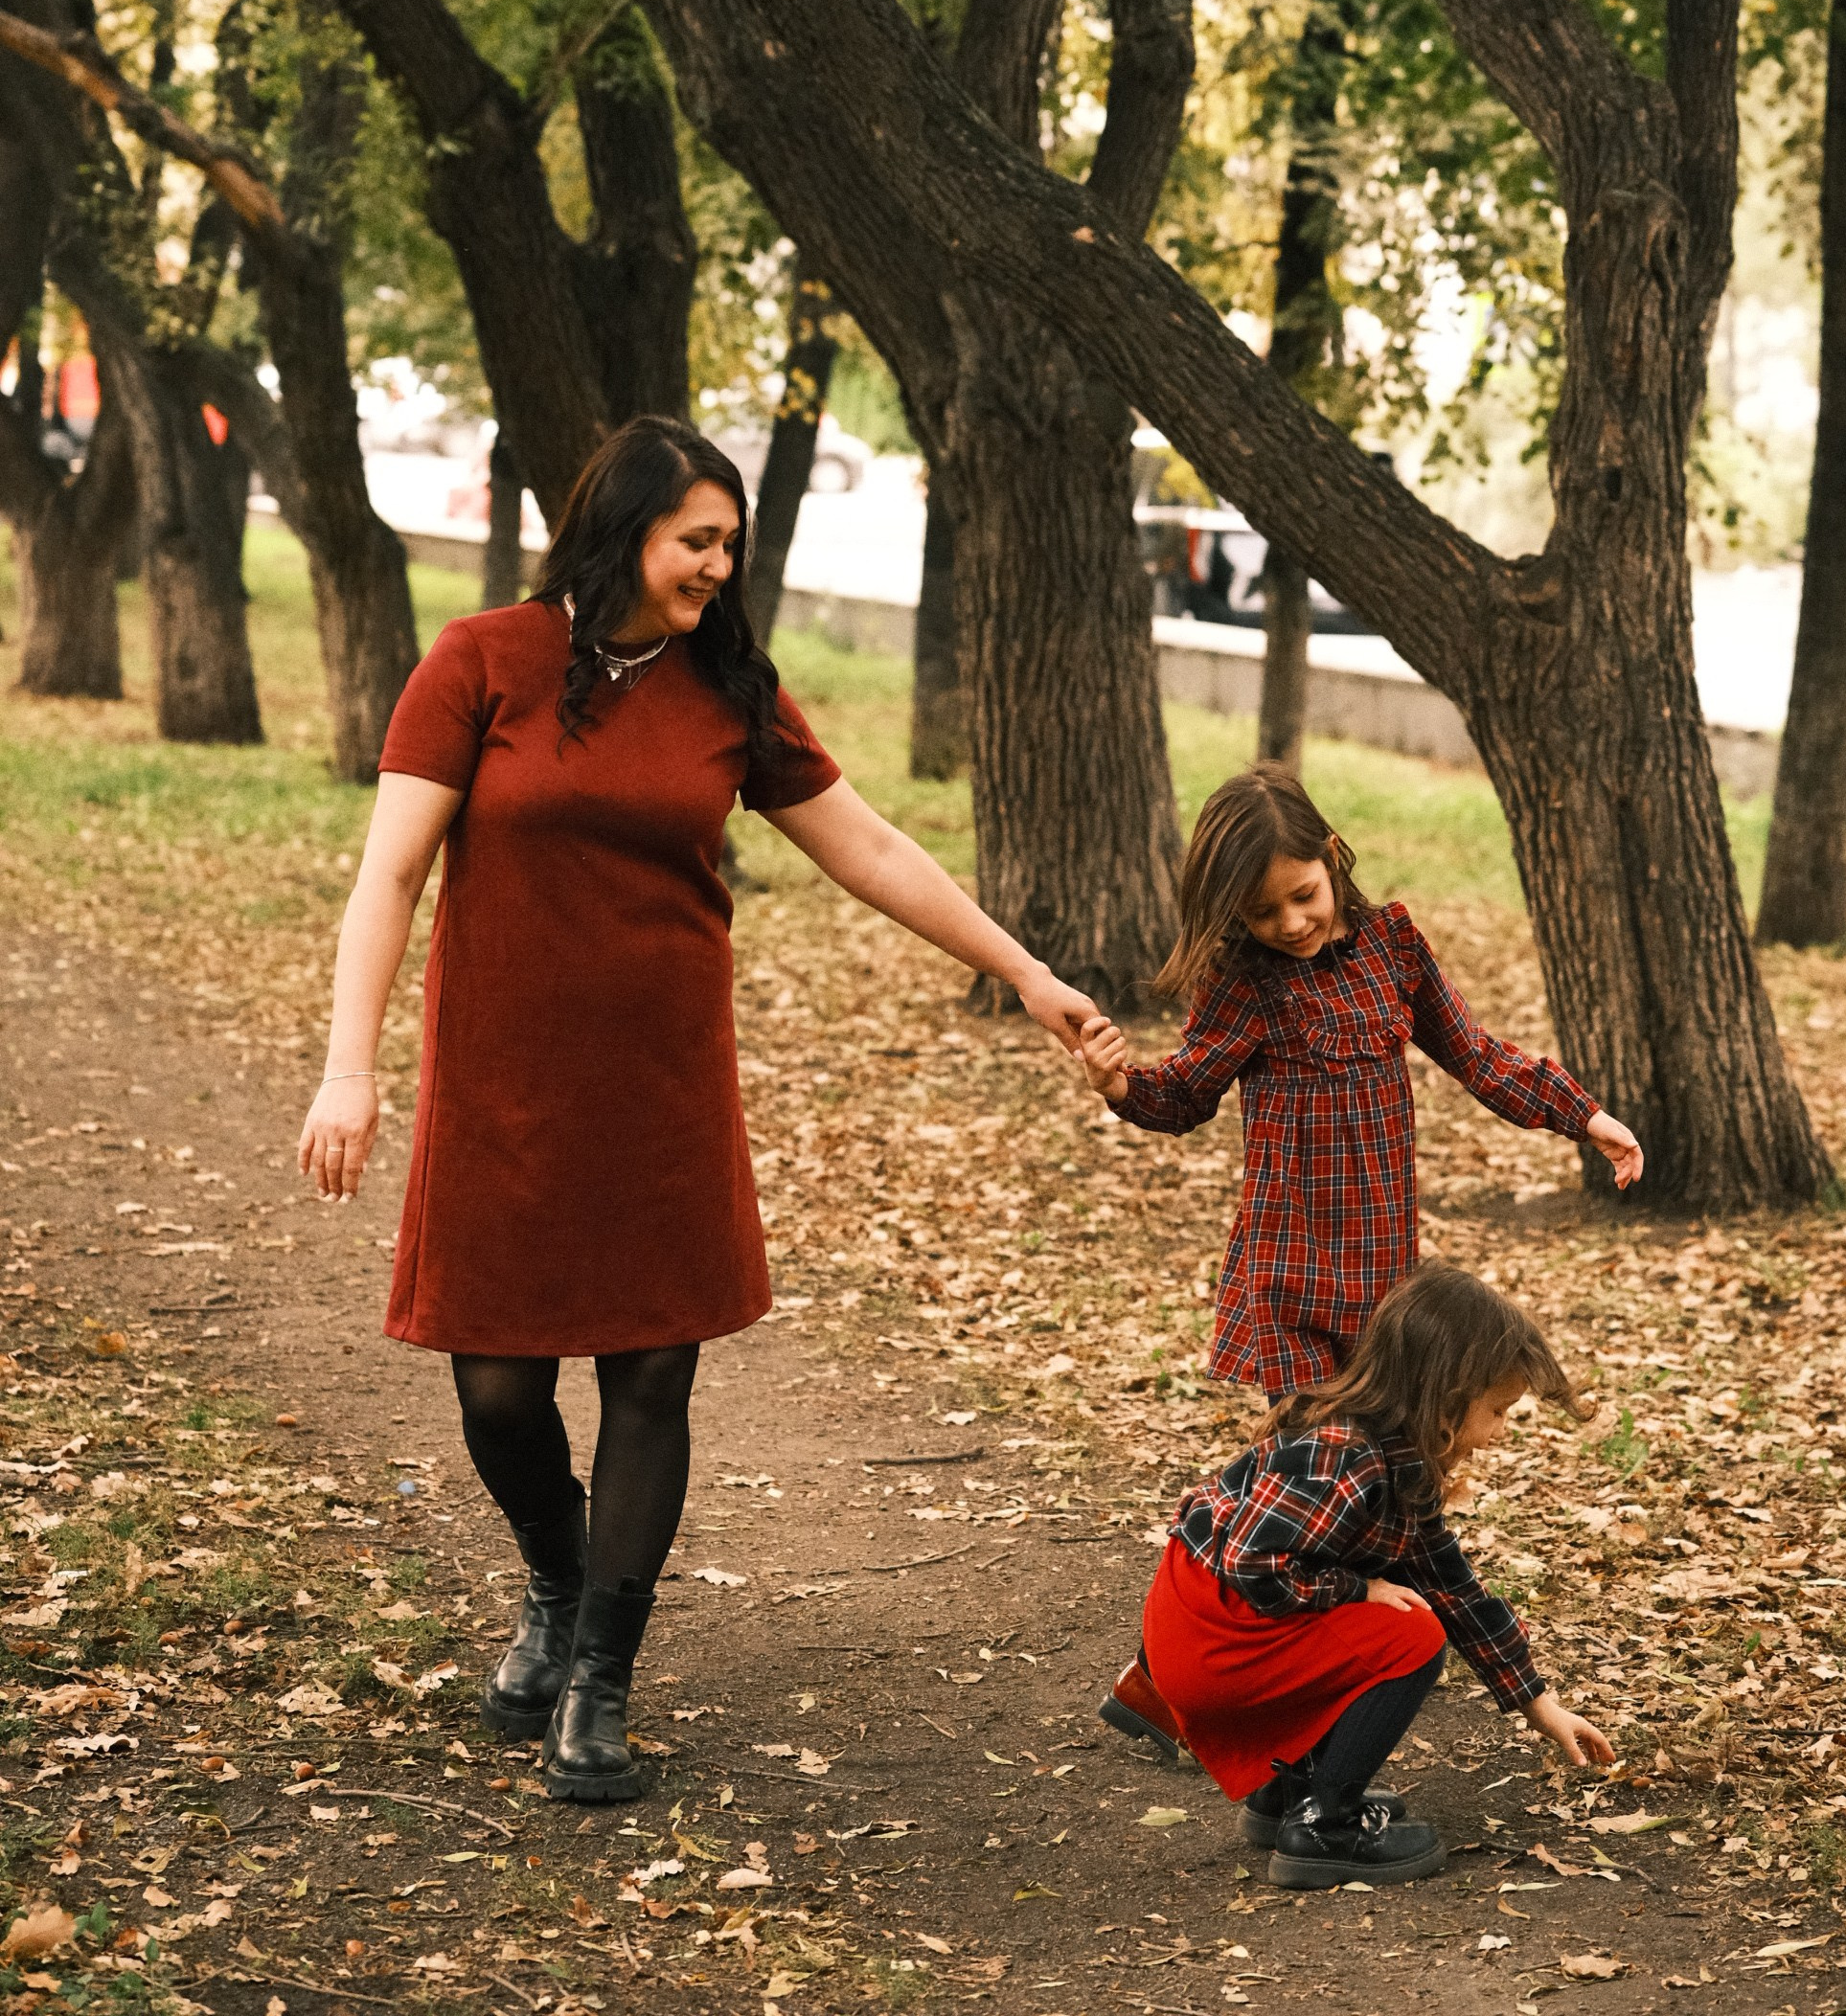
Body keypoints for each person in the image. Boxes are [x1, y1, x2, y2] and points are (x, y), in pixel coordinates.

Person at [295, 417, 1098, 1805]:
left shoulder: (728, 685)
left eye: (732, 544)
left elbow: (870, 846)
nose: (721, 568)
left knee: (651, 1374)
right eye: (697, 542)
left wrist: (1021, 971)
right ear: (622, 531)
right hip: (504, 1082)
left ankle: (601, 1676)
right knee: (495, 1385)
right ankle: (555, 1581)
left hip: (661, 1084)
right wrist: (347, 1067)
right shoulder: (480, 662)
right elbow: (389, 879)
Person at [1073, 760, 1641, 1760]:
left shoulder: (1392, 945)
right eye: (1260, 912)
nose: (1289, 922)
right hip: (1290, 1284)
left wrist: (1580, 1115)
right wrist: (1121, 1085)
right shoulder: (1245, 985)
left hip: (1385, 1299)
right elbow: (1183, 1095)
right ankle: (1269, 1707)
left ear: (1333, 859)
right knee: (1316, 1496)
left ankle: (1170, 1684)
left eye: (1300, 895)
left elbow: (1475, 1052)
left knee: (1363, 1493)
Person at [1138, 1260, 1615, 1887]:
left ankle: (1287, 1793)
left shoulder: (1392, 1454)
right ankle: (1323, 1827)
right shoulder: (1346, 1456)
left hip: (1214, 1628)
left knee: (1409, 1604)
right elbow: (1254, 1562)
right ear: (1445, 1393)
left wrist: (1538, 1704)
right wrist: (1358, 1589)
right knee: (1409, 1632)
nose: (1501, 1432)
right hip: (1212, 1640)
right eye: (1498, 1411)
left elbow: (1454, 1585)